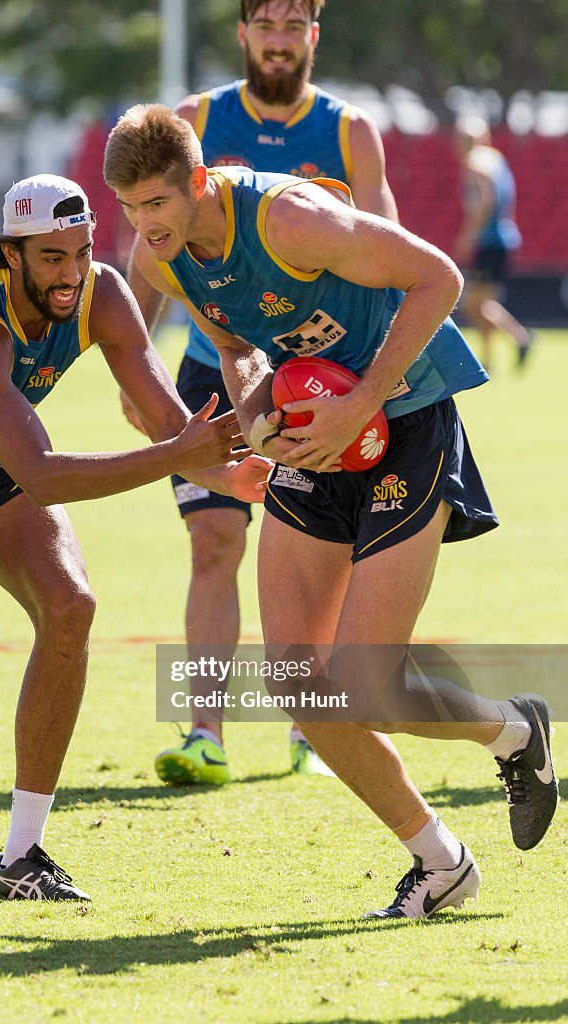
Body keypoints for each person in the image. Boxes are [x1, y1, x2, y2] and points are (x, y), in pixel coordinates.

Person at [103, 106, 558, 919]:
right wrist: (256, 422)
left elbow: (440, 280)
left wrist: (365, 404)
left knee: (365, 683)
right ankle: (441, 859)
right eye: (131, 209)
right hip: (315, 431)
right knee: (298, 685)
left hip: (407, 418)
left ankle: (516, 728)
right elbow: (238, 346)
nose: (144, 228)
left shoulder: (290, 220)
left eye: (158, 206)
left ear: (198, 182)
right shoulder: (165, 260)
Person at [0, 173, 270, 902]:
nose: (72, 273)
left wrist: (224, 470)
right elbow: (43, 474)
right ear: (8, 256)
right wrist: (180, 458)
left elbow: (170, 419)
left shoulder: (104, 293)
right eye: (50, 257)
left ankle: (22, 857)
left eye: (81, 251)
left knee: (71, 607)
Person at [124, 0, 399, 786]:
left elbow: (387, 248)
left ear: (313, 36)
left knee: (321, 553)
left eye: (292, 28)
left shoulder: (351, 131)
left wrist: (374, 385)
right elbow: (144, 257)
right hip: (218, 365)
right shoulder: (193, 118)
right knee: (214, 541)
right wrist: (132, 368)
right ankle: (204, 728)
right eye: (264, 27)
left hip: (321, 375)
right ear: (243, 34)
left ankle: (314, 726)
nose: (277, 43)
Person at [453, 114, 533, 371]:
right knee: (481, 303)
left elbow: (483, 203)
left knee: (474, 304)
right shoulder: (496, 159)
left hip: (490, 241)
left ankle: (520, 337)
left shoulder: (475, 164)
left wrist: (469, 234)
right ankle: (489, 359)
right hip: (503, 238)